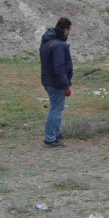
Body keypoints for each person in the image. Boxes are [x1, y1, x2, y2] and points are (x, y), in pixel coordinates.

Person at [39, 17, 73, 148]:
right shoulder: (59, 45)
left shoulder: (47, 42)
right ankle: (50, 139)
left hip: (48, 80)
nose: (69, 33)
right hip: (56, 82)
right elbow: (59, 68)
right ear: (65, 29)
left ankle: (56, 134)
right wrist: (65, 85)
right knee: (55, 110)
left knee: (57, 108)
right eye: (69, 30)